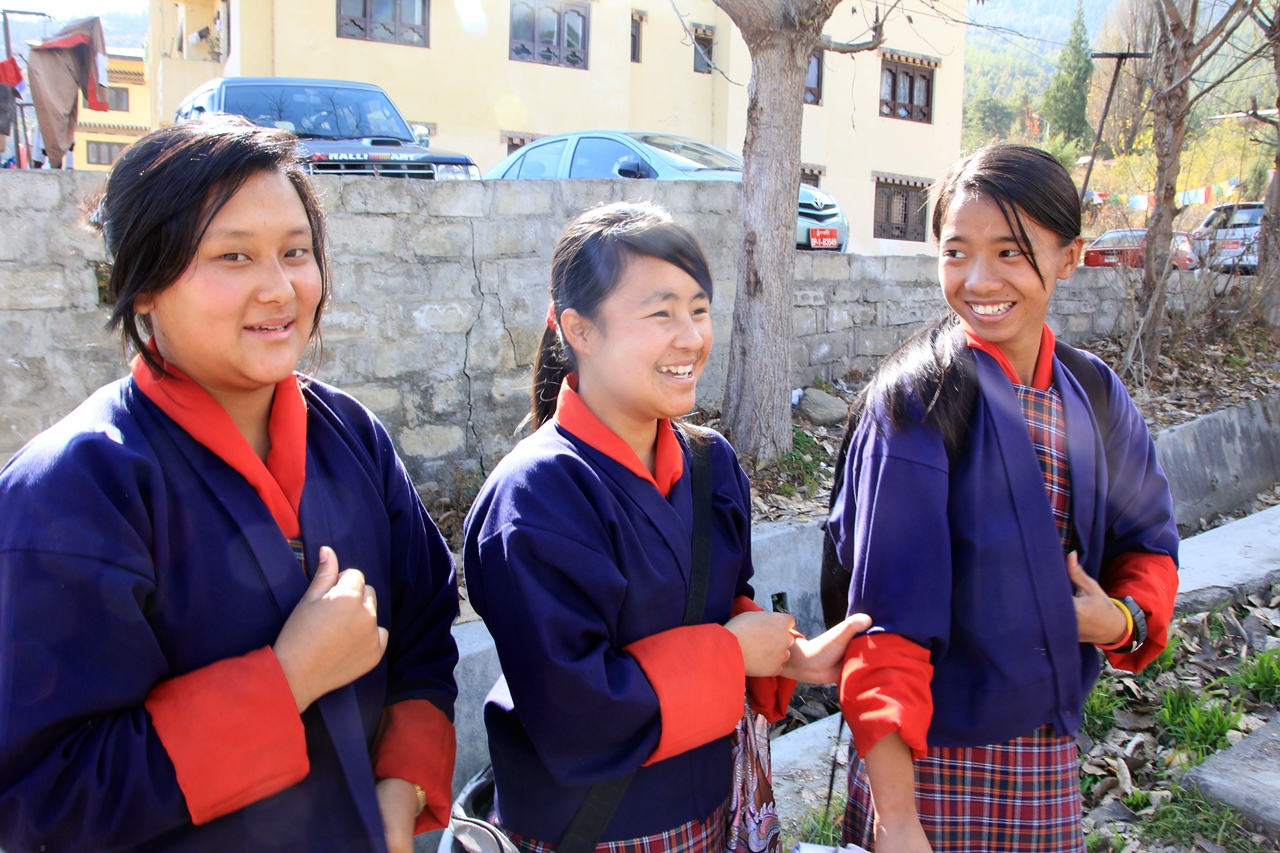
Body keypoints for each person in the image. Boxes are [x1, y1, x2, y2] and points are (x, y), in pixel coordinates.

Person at [0, 117, 459, 853]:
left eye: (296, 253)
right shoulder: (75, 490)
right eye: (234, 255)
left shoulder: (352, 437)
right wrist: (285, 680)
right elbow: (44, 798)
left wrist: (399, 793)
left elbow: (426, 634)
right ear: (141, 286)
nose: (280, 289)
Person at [463, 202, 868, 853]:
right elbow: (575, 709)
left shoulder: (711, 464)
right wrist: (733, 654)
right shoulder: (535, 499)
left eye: (699, 309)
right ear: (580, 329)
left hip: (711, 808)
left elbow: (717, 605)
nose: (691, 337)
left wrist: (793, 654)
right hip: (592, 832)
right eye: (661, 312)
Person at [825, 145, 1179, 853]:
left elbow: (1148, 542)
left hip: (1045, 756)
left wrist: (1120, 621)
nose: (978, 279)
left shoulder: (1095, 395)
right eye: (956, 251)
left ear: (1070, 256)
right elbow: (884, 626)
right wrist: (898, 821)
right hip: (926, 763)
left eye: (1011, 252)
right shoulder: (916, 404)